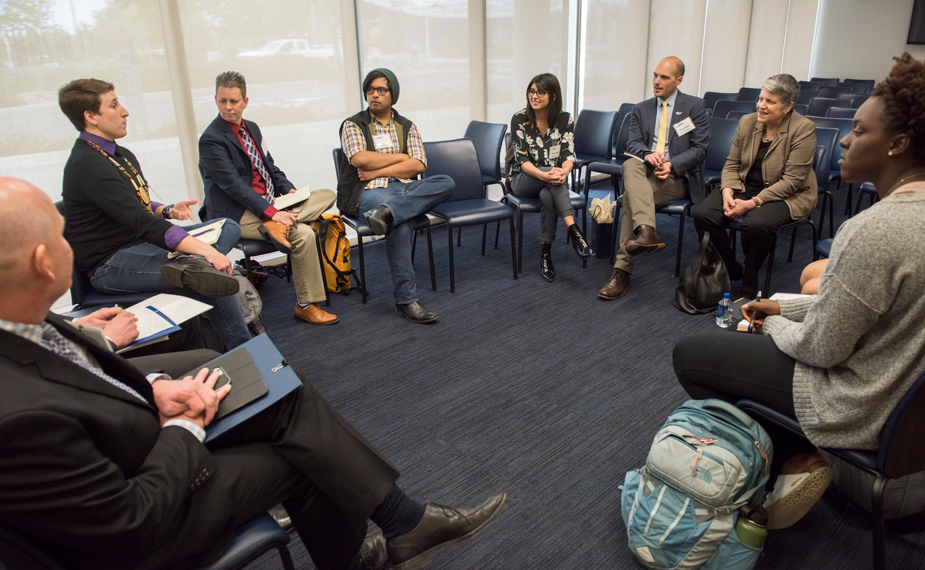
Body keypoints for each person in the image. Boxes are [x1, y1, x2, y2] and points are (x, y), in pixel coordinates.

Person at [0, 176, 506, 570]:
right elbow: (127, 525)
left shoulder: (23, 321)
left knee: (270, 379)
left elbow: (73, 375)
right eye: (64, 234)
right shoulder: (19, 419)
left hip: (129, 434)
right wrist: (183, 430)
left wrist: (152, 386)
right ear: (44, 263)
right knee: (299, 455)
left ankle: (402, 523)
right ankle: (380, 541)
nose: (75, 243)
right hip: (143, 523)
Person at [672, 53, 925, 530]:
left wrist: (770, 323)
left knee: (692, 355)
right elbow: (876, 310)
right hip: (905, 401)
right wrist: (784, 302)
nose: (845, 140)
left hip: (858, 402)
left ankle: (795, 459)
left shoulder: (874, 230)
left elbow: (821, 349)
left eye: (859, 131)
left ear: (900, 143)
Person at [58, 78, 252, 351]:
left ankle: (190, 264)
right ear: (90, 116)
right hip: (110, 263)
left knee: (229, 226)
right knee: (208, 275)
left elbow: (136, 204)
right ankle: (247, 353)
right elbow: (140, 221)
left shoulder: (118, 154)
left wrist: (166, 210)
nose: (125, 111)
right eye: (114, 105)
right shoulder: (88, 164)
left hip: (143, 244)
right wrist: (205, 251)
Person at [199, 71, 339, 326]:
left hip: (269, 205)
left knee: (327, 194)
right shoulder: (211, 140)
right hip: (236, 212)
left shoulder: (252, 128)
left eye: (233, 101)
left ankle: (279, 226)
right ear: (216, 100)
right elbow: (234, 187)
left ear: (245, 101)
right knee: (305, 234)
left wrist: (290, 191)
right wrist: (273, 213)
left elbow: (270, 168)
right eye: (222, 101)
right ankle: (307, 306)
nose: (228, 107)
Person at [338, 69, 455, 324]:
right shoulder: (353, 125)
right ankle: (406, 301)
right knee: (400, 223)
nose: (375, 95)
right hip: (369, 192)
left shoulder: (407, 126)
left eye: (381, 90)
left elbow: (419, 165)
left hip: (405, 189)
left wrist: (378, 169)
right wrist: (401, 158)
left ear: (394, 94)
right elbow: (359, 158)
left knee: (446, 182)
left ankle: (388, 213)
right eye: (370, 90)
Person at [692, 73, 817, 299]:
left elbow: (792, 182)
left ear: (788, 106)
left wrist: (751, 203)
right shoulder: (747, 122)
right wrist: (728, 192)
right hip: (745, 185)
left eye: (770, 101)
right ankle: (731, 266)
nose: (761, 105)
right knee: (703, 214)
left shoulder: (803, 129)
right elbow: (731, 164)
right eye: (760, 99)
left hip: (787, 195)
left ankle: (750, 277)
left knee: (757, 223)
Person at [598, 56, 710, 300]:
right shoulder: (642, 108)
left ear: (678, 80)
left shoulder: (695, 107)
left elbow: (700, 149)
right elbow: (634, 143)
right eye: (655, 75)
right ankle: (647, 230)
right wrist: (648, 154)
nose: (657, 81)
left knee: (629, 200)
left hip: (678, 177)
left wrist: (671, 164)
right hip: (646, 171)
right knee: (630, 163)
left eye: (664, 77)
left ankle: (621, 273)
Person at [509, 73, 592, 282]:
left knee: (548, 196)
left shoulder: (564, 119)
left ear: (553, 96)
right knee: (552, 180)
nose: (534, 96)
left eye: (540, 92)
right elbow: (521, 160)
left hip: (552, 180)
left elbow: (568, 153)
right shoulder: (519, 119)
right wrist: (547, 175)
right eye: (531, 91)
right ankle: (575, 232)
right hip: (523, 179)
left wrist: (564, 171)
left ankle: (545, 254)